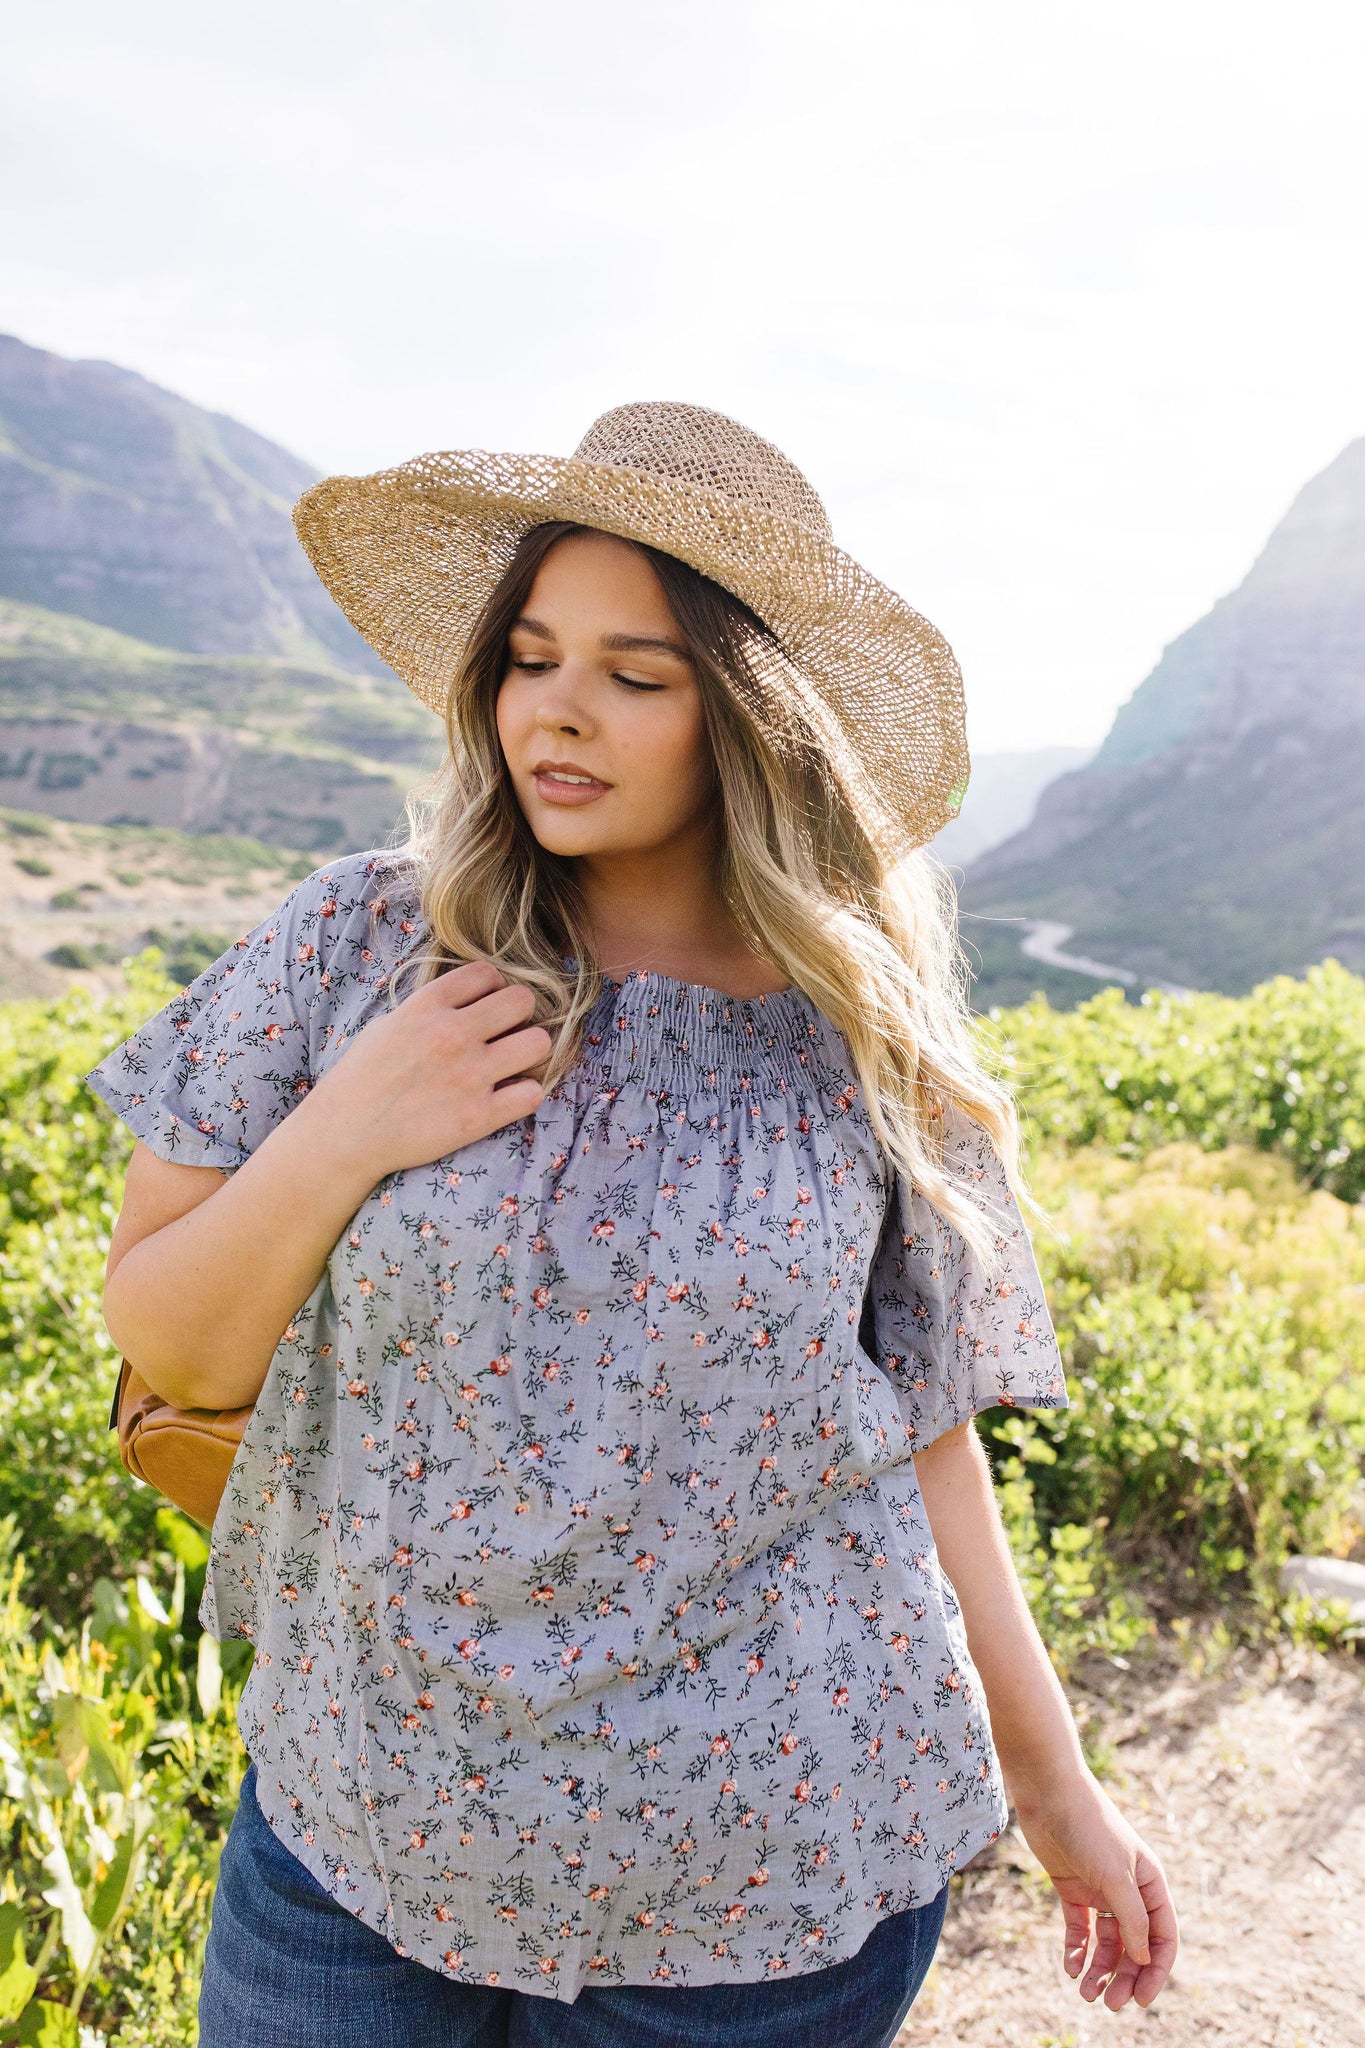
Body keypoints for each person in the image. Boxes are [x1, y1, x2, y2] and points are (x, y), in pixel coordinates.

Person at [87, 402, 1177, 2047]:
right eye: (530, 658)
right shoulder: (358, 947)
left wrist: (1057, 1789)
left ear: (748, 721)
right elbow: (166, 1341)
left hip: (758, 1881)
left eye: (635, 675)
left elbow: (921, 1441)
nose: (558, 714)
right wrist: (350, 1127)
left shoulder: (861, 1037)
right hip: (361, 1821)